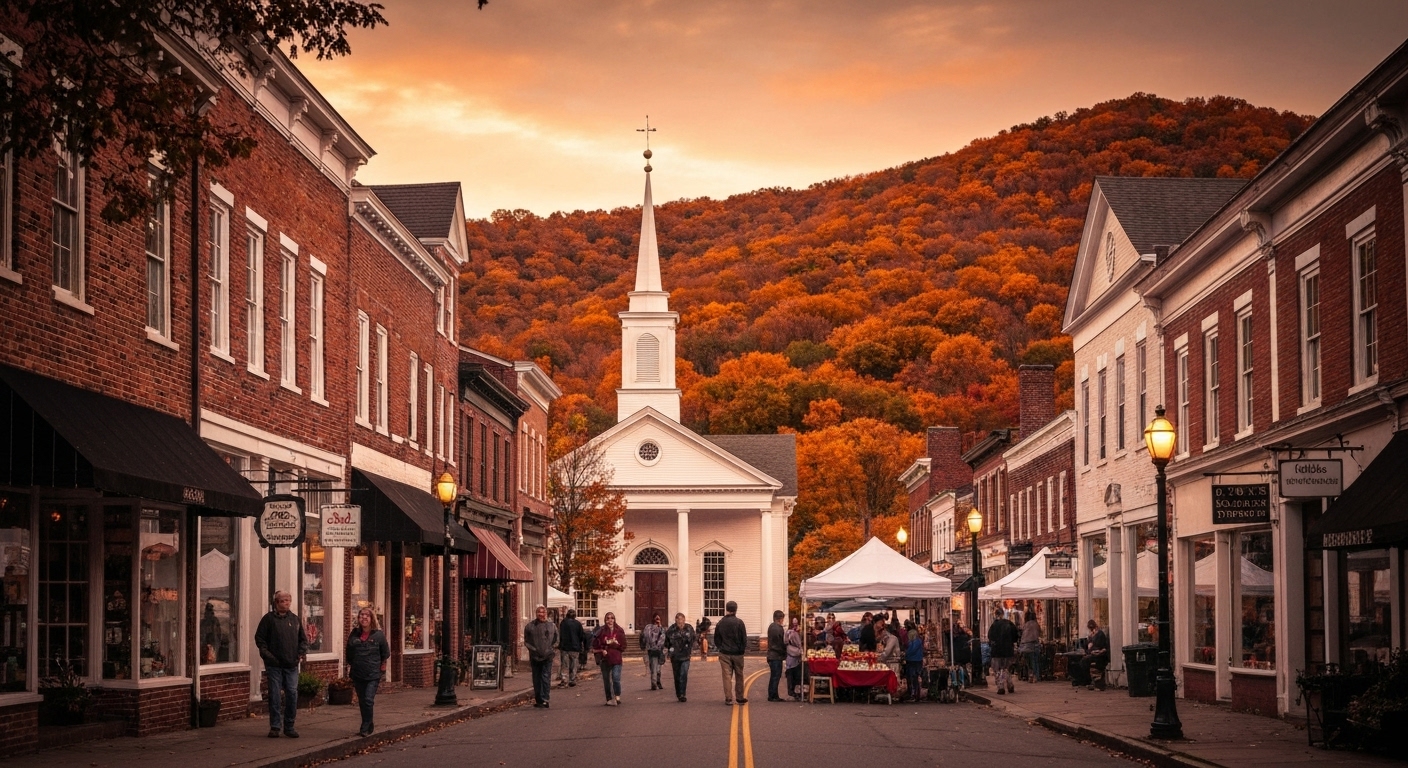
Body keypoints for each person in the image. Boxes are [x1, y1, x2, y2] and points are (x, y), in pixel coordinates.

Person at [255, 591, 308, 738]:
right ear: (276, 603)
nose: (286, 603)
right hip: (274, 665)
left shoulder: (295, 620)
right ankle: (275, 726)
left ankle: (289, 725)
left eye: (288, 600)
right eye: (283, 600)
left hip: (291, 664)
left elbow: (303, 640)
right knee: (275, 695)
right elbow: (260, 640)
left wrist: (300, 653)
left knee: (292, 693)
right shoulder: (268, 620)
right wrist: (269, 657)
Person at [345, 607, 389, 736]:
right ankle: (368, 722)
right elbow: (349, 651)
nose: (364, 617)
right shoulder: (354, 634)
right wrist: (352, 664)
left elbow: (385, 653)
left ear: (371, 619)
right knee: (362, 700)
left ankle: (364, 727)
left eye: (367, 616)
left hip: (372, 674)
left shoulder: (378, 635)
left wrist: (381, 668)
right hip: (358, 673)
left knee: (369, 699)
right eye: (361, 615)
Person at [524, 604, 559, 708]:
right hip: (535, 656)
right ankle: (538, 699)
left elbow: (557, 640)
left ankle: (545, 698)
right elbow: (527, 641)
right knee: (536, 678)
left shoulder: (552, 626)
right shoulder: (530, 626)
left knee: (545, 677)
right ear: (536, 614)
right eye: (539, 612)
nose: (541, 614)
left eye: (543, 612)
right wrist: (533, 650)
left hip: (548, 656)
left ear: (546, 613)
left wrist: (551, 649)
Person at [714, 601, 748, 704]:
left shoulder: (720, 623)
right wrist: (741, 649)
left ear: (726, 609)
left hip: (724, 652)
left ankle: (728, 698)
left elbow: (716, 638)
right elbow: (744, 638)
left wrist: (721, 647)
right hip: (737, 653)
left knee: (726, 676)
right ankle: (740, 697)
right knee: (739, 675)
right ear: (736, 609)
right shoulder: (739, 622)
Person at [592, 612, 627, 705]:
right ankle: (609, 698)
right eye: (608, 618)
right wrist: (601, 650)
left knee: (616, 678)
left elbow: (623, 646)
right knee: (606, 679)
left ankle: (617, 695)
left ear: (614, 619)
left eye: (612, 618)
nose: (610, 620)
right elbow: (594, 644)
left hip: (616, 658)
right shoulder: (601, 631)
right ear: (605, 620)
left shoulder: (619, 630)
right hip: (605, 659)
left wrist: (616, 644)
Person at [665, 612, 697, 702]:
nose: (681, 622)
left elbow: (693, 639)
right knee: (677, 675)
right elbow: (666, 642)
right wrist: (669, 652)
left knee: (684, 674)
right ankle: (678, 693)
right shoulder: (671, 630)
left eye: (682, 620)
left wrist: (692, 648)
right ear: (676, 620)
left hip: (686, 655)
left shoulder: (689, 628)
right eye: (679, 620)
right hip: (675, 656)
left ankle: (683, 694)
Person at [987, 607, 1019, 695]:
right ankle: (1010, 684)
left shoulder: (994, 625)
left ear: (996, 614)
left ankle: (1001, 686)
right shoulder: (1009, 623)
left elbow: (990, 637)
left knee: (997, 669)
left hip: (996, 650)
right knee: (1006, 668)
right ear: (1002, 614)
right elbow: (1015, 636)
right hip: (1008, 650)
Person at [558, 608, 587, 687]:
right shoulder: (577, 624)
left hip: (565, 646)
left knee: (564, 664)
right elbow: (581, 635)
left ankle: (564, 679)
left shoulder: (563, 623)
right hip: (575, 646)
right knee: (573, 664)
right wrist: (580, 644)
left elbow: (560, 634)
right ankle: (572, 679)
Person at [1079, 619, 1110, 690]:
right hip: (1094, 654)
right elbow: (1089, 646)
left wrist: (1094, 650)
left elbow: (1100, 647)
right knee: (1083, 661)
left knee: (1085, 661)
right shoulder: (1092, 635)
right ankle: (1090, 680)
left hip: (1100, 655)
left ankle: (1093, 681)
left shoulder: (1099, 634)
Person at [766, 610, 786, 701]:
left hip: (771, 654)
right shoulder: (779, 628)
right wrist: (784, 652)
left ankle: (772, 694)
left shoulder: (771, 627)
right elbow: (781, 642)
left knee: (773, 675)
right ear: (780, 619)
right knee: (776, 676)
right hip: (776, 655)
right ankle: (773, 695)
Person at [643, 613, 666, 690]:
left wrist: (660, 627)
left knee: (658, 668)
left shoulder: (662, 629)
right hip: (652, 650)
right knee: (653, 667)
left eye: (658, 619)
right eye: (656, 619)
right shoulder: (648, 627)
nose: (657, 620)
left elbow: (663, 638)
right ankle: (654, 683)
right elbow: (647, 637)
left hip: (660, 651)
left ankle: (657, 681)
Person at [905, 622, 925, 702]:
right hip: (917, 660)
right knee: (915, 677)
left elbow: (911, 650)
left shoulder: (914, 642)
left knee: (913, 677)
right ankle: (916, 694)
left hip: (913, 660)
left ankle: (914, 694)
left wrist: (906, 654)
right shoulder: (918, 641)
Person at [784, 617, 804, 700]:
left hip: (789, 656)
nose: (795, 624)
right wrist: (801, 650)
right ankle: (793, 691)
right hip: (794, 657)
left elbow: (785, 642)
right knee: (793, 675)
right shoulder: (793, 633)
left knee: (790, 674)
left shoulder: (787, 632)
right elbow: (798, 644)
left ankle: (791, 691)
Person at [1020, 611, 1042, 683]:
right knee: (1035, 661)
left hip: (1026, 646)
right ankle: (1036, 676)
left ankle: (1031, 675)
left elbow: (1023, 635)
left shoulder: (1026, 625)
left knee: (1029, 662)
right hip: (1035, 645)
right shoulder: (1036, 624)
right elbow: (1039, 633)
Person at [949, 621, 972, 688]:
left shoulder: (957, 638)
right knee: (963, 668)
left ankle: (964, 682)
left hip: (960, 655)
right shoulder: (965, 636)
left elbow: (957, 648)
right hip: (965, 655)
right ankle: (965, 682)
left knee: (961, 668)